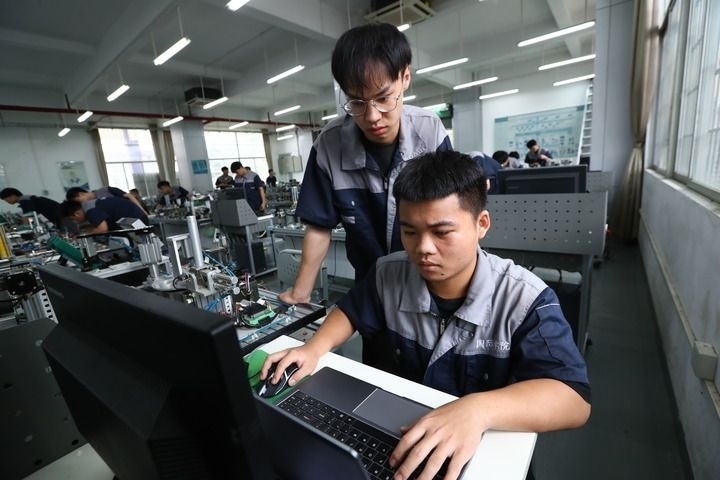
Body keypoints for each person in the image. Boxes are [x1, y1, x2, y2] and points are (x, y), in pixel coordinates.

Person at [262, 151, 591, 480]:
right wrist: (314, 348)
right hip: (401, 432)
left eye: (442, 232)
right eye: (410, 232)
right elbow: (350, 312)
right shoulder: (389, 274)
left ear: (481, 224)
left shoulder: (524, 298)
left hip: (477, 448)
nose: (423, 249)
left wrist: (478, 409)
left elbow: (573, 398)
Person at [278, 22, 452, 308]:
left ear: (405, 77)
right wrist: (300, 292)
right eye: (357, 102)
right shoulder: (328, 145)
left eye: (383, 98)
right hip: (371, 283)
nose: (372, 116)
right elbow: (319, 227)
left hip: (428, 279)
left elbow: (451, 215)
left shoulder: (430, 131)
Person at [61, 196, 148, 234]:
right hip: (131, 219)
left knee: (145, 244)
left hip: (136, 220)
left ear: (76, 214)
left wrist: (86, 235)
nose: (76, 222)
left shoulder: (90, 211)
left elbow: (103, 229)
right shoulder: (88, 206)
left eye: (73, 219)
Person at [66, 186, 148, 215]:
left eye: (78, 200)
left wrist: (142, 210)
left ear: (81, 194)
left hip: (133, 213)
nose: (80, 203)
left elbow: (129, 196)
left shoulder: (106, 190)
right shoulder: (91, 205)